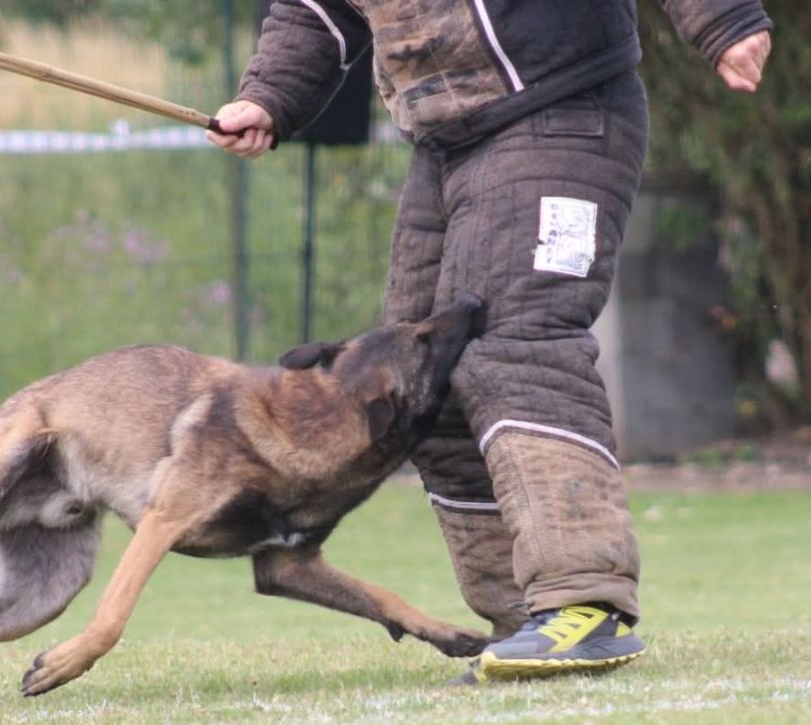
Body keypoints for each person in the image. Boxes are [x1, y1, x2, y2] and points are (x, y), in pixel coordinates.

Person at [208, 1, 772, 684]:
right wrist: (268, 97)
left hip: (561, 112)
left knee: (514, 341)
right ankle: (525, 621)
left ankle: (582, 601)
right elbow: (315, 9)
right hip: (443, 142)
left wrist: (722, 20)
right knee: (419, 381)